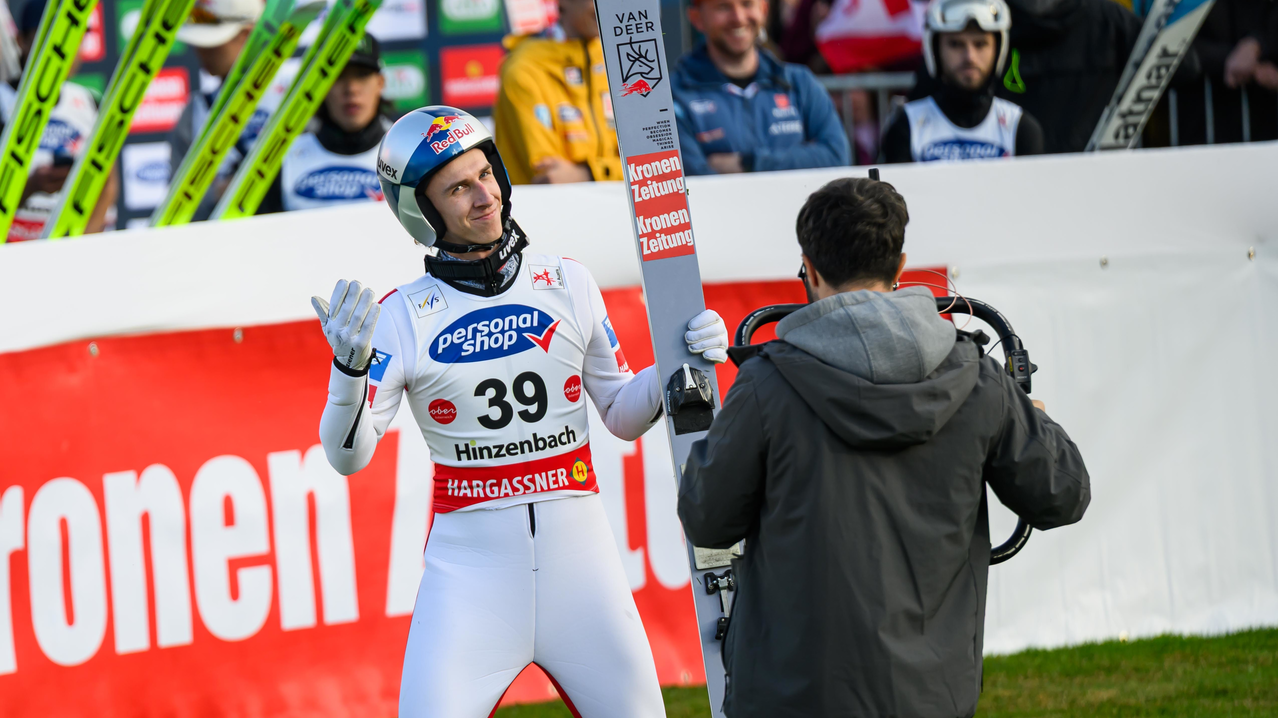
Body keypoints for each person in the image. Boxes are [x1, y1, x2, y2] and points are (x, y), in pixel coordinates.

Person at [312, 106, 731, 716]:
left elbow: (619, 411)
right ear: (419, 213)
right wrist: (347, 375)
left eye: (487, 175)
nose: (485, 198)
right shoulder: (399, 316)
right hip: (469, 583)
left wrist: (681, 364)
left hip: (582, 571)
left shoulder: (567, 281)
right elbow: (347, 458)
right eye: (458, 188)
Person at [677, 178, 1090, 717]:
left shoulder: (766, 387)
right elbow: (1063, 493)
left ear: (811, 269)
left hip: (793, 694)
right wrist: (1036, 418)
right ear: (900, 268)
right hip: (930, 695)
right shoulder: (980, 379)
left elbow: (707, 520)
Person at [671, 0, 850, 175]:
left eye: (747, 4)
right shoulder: (675, 95)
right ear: (696, 18)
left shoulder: (799, 82)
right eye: (723, 7)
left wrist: (750, 162)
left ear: (764, 10)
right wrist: (798, 159)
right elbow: (693, 178)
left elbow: (837, 156)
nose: (738, 18)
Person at [0, 0, 117, 241]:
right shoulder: (3, 101)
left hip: (72, 249)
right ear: (21, 42)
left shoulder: (88, 102)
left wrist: (77, 249)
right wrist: (30, 187)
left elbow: (108, 183)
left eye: (75, 39)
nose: (64, 50)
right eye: (52, 39)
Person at [881, 0, 1044, 162]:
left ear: (998, 49)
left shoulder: (1020, 129)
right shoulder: (907, 128)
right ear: (935, 50)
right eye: (955, 44)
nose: (969, 57)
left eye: (980, 44)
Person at [168, 0, 283, 216]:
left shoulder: (297, 94)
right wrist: (216, 194)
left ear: (248, 34)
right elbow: (175, 207)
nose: (200, 49)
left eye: (212, 40)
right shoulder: (195, 112)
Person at [493, 0, 621, 184]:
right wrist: (617, 170)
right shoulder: (524, 69)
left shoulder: (623, 61)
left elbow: (650, 165)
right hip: (548, 210)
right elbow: (549, 176)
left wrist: (587, 173)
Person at [275, 34, 392, 211]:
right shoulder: (285, 158)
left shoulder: (408, 154)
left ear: (380, 83)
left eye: (362, 74)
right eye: (339, 75)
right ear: (322, 85)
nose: (351, 89)